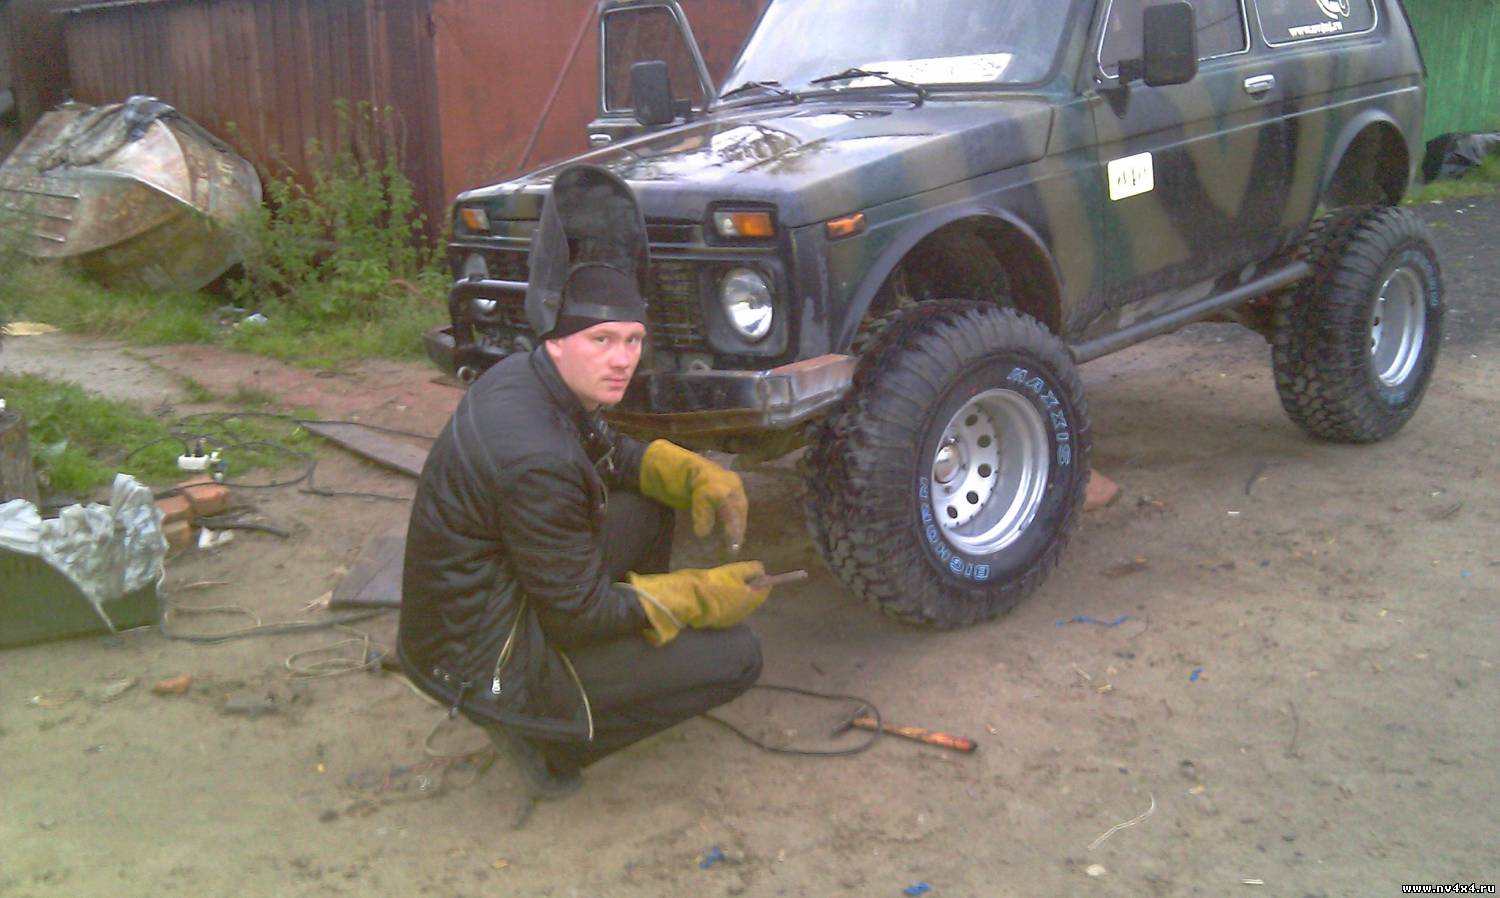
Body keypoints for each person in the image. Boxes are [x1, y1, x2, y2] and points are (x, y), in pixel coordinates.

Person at [397, 165, 771, 799]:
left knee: (650, 503)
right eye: (602, 340)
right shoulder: (536, 461)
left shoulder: (528, 377)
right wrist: (694, 597)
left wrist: (686, 471)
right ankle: (554, 735)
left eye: (632, 340)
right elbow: (577, 615)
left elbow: (609, 451)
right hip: (485, 659)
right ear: (558, 341)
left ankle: (615, 664)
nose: (622, 359)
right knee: (739, 656)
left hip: (482, 607)